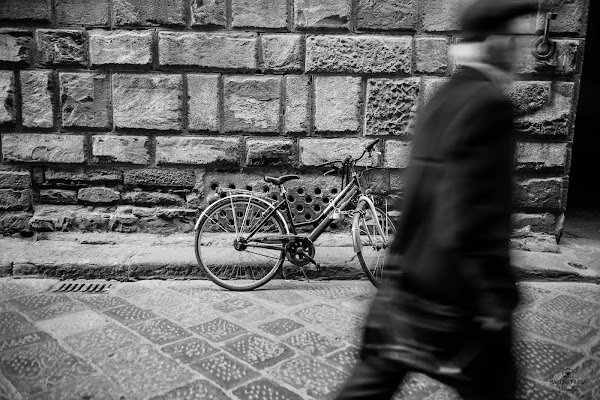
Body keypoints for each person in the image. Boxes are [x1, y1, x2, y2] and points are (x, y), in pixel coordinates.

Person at [334, 1, 537, 399]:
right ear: (495, 42)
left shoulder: (441, 99)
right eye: (516, 41)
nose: (521, 52)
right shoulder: (488, 105)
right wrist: (496, 295)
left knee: (368, 386)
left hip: (407, 285)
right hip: (456, 298)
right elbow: (471, 212)